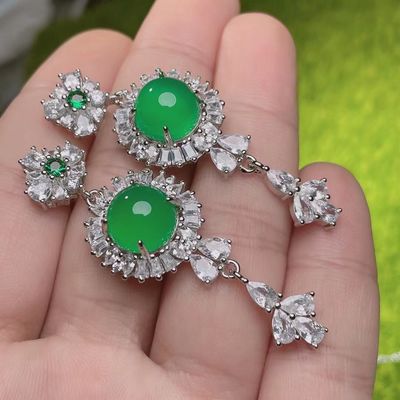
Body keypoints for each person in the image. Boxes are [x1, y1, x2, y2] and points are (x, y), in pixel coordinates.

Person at [0, 0, 378, 398]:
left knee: (247, 176)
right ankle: (288, 295)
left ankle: (302, 211)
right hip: (149, 219)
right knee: (229, 253)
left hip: (169, 177)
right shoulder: (114, 194)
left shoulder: (139, 125)